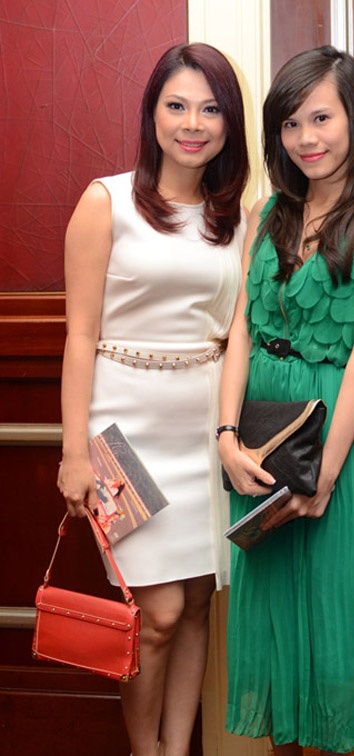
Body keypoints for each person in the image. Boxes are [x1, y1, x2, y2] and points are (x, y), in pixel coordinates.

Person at [57, 43, 249, 756]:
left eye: (210, 108)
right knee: (158, 610)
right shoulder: (105, 202)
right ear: (152, 114)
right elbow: (79, 336)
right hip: (122, 436)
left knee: (197, 604)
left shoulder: (236, 218)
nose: (192, 123)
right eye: (177, 105)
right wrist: (73, 452)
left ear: (229, 124)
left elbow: (238, 331)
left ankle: (178, 747)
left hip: (204, 431)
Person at [217, 46, 354, 755]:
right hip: (262, 428)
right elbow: (241, 329)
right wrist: (225, 436)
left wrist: (324, 474)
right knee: (273, 616)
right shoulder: (266, 211)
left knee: (334, 606)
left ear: (353, 118)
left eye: (321, 118)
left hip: (334, 431)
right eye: (291, 123)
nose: (306, 138)